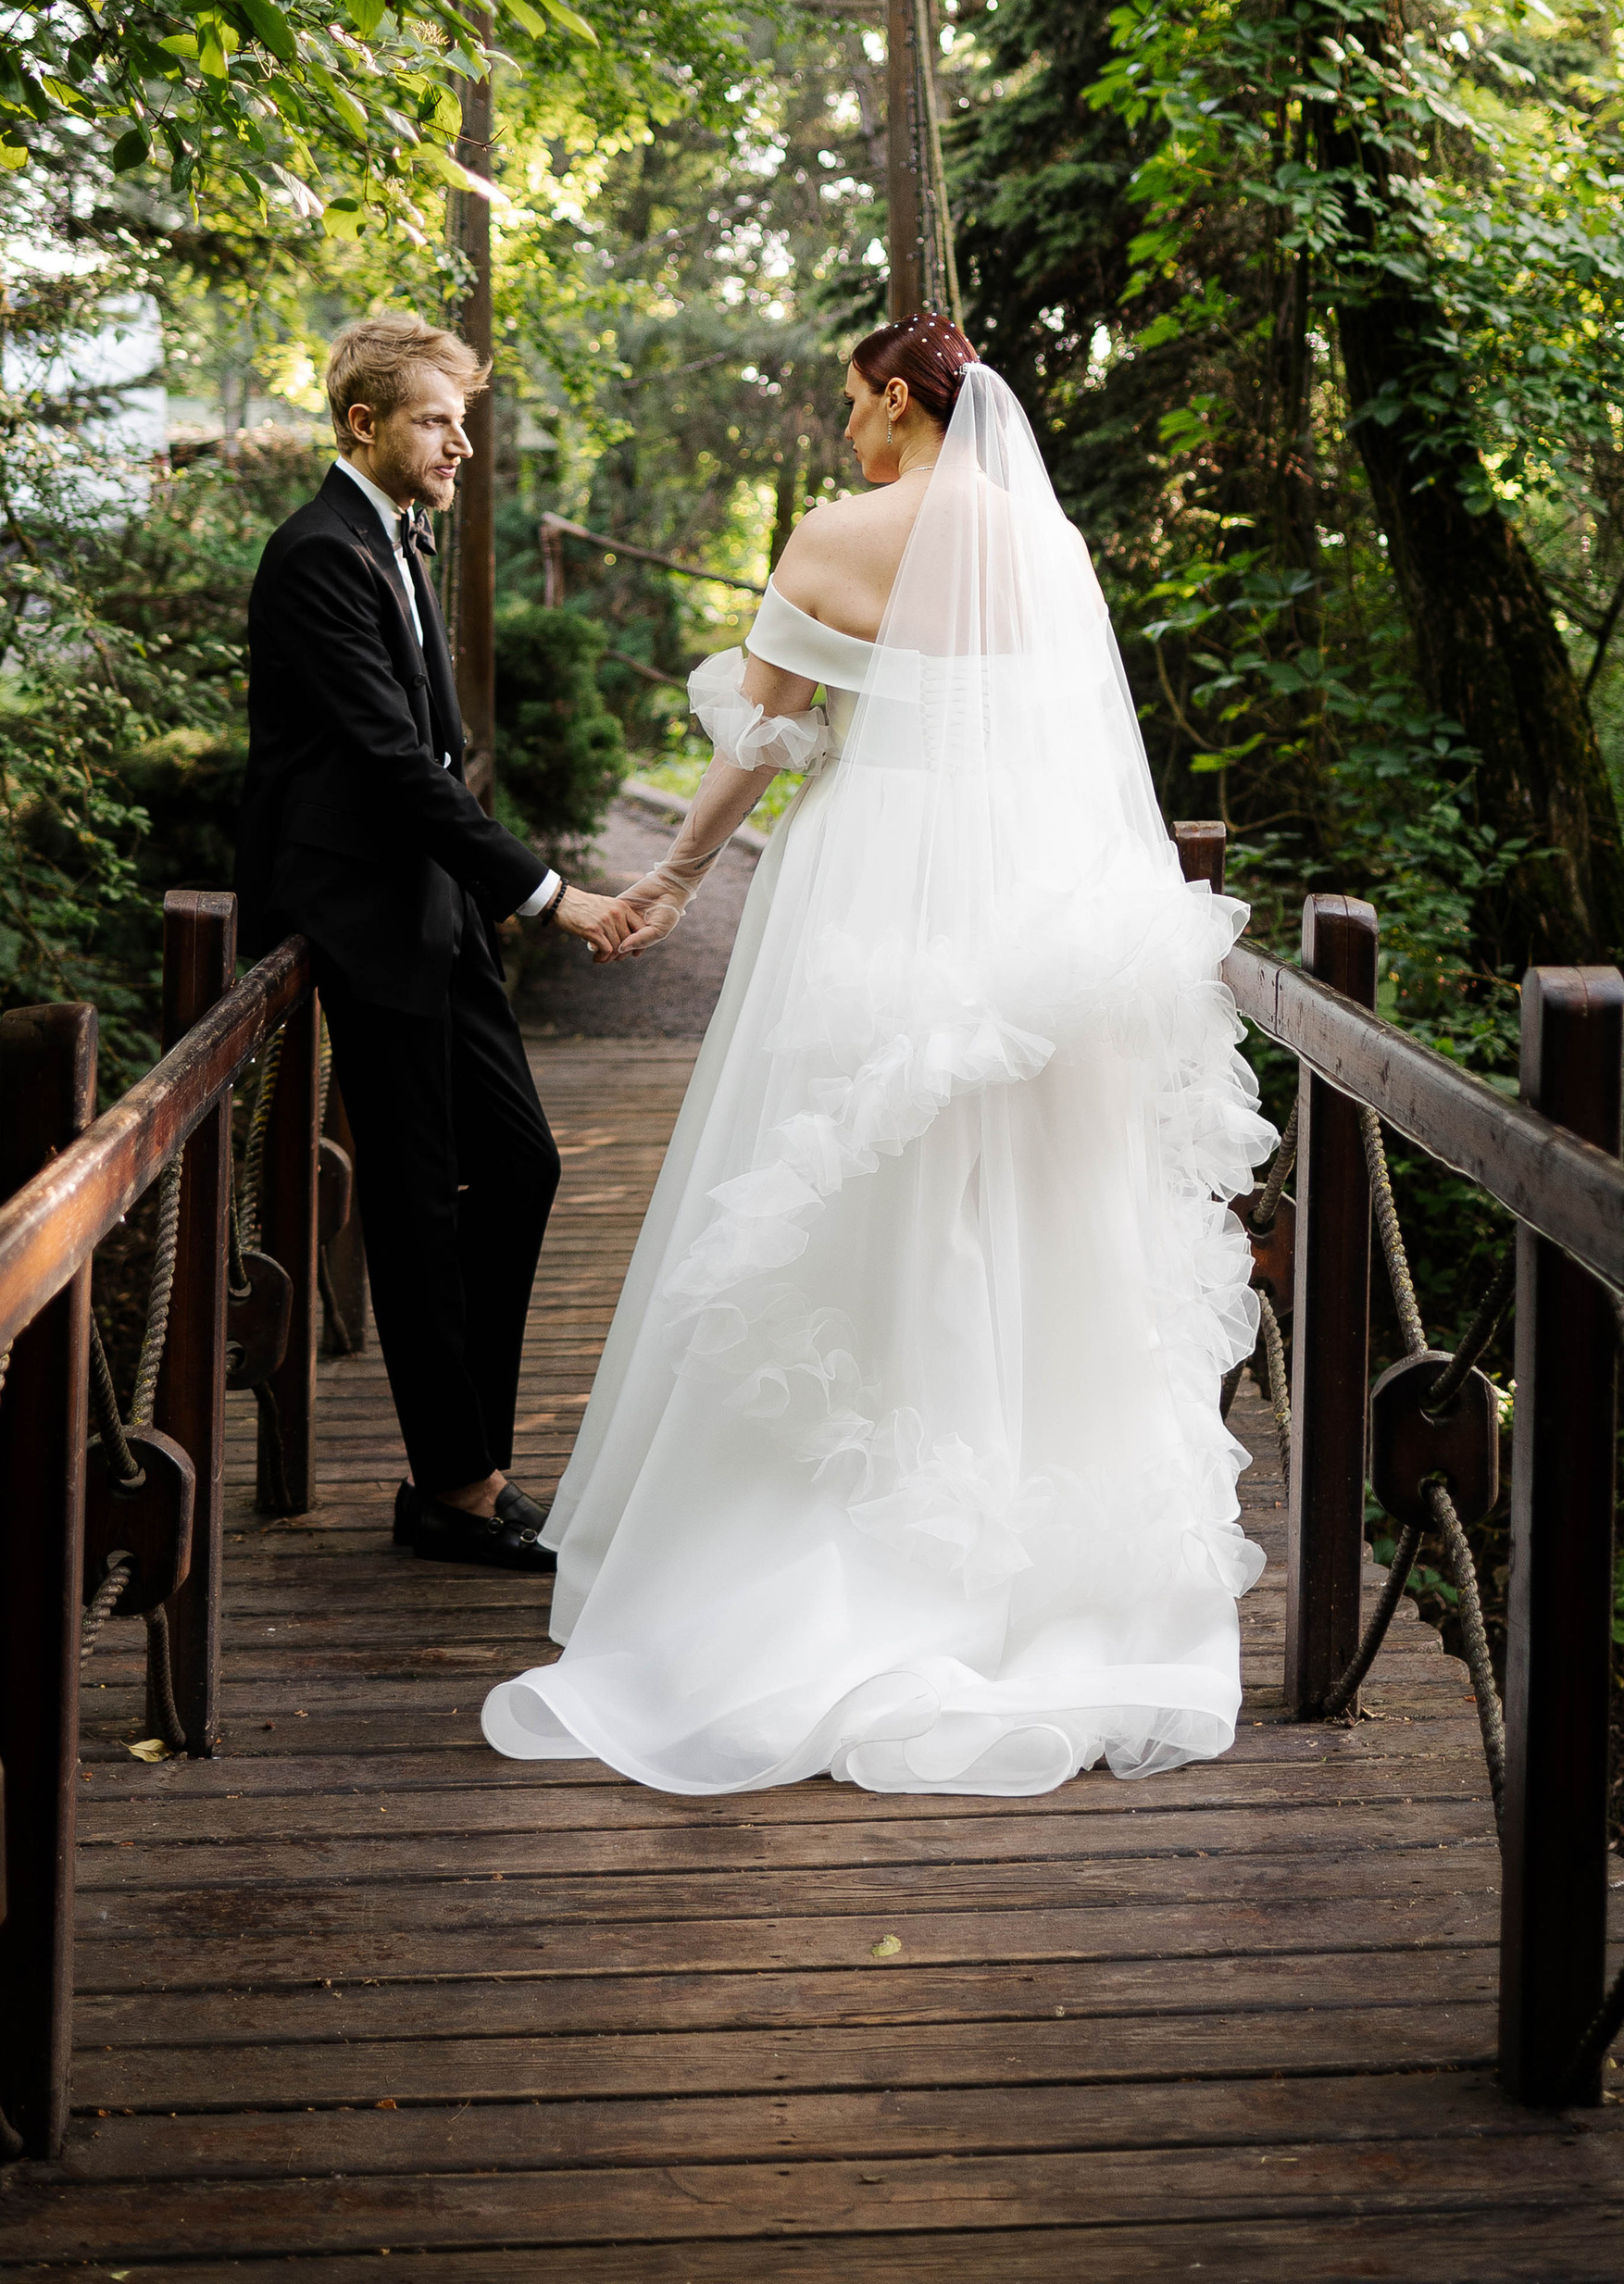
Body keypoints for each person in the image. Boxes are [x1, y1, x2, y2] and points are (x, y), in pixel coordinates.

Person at [481, 311, 1274, 1793]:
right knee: (1034, 1194)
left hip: (874, 888)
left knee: (853, 1177)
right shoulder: (1048, 543)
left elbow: (765, 739)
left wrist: (667, 883)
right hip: (1033, 901)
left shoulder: (840, 536)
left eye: (853, 404)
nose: (844, 431)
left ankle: (827, 1535)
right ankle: (1043, 1569)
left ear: (902, 401)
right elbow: (1073, 742)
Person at [236, 315, 632, 1577]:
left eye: (462, 418)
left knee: (518, 1167)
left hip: (433, 905)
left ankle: (471, 1467)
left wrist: (484, 891)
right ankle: (455, 1491)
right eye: (435, 418)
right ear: (364, 425)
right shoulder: (315, 555)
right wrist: (545, 891)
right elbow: (392, 764)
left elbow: (434, 752)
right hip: (358, 908)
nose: (460, 441)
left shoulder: (396, 541)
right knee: (409, 1201)